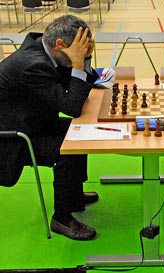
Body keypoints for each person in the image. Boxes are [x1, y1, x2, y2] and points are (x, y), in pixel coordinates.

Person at [0, 15, 100, 239]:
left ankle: (72, 195)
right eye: (80, 47)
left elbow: (77, 91)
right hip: (14, 137)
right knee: (68, 148)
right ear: (60, 45)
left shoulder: (47, 51)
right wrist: (77, 63)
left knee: (80, 133)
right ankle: (62, 219)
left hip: (35, 121)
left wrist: (85, 58)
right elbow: (72, 106)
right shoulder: (33, 65)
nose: (84, 51)